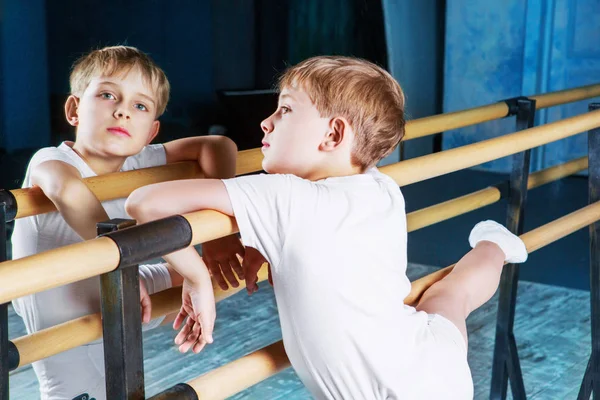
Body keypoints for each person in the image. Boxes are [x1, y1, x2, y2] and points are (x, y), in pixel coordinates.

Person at [126, 56, 528, 399]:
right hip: (435, 371)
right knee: (450, 297)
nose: (266, 123)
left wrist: (196, 275)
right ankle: (494, 246)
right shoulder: (379, 185)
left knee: (448, 298)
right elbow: (325, 240)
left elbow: (144, 201)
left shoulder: (283, 196)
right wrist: (254, 236)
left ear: (334, 134)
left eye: (284, 110)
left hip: (401, 384)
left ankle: (492, 245)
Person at [11, 45, 243, 400]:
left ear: (150, 132)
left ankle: (190, 309)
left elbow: (219, 146)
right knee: (78, 391)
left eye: (140, 106)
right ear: (74, 110)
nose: (122, 111)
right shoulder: (53, 159)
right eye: (107, 95)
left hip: (123, 282)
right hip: (59, 300)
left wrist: (218, 239)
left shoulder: (142, 160)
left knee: (208, 269)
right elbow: (69, 191)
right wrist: (124, 264)